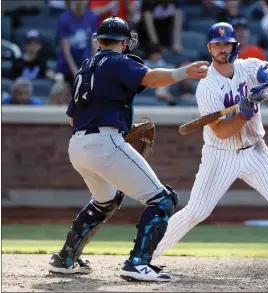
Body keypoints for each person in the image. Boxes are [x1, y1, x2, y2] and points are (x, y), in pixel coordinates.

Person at [152, 22, 268, 277]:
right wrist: (244, 114)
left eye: (226, 44)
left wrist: (267, 88)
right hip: (221, 153)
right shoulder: (207, 86)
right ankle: (146, 254)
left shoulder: (247, 67)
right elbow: (222, 131)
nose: (222, 49)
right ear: (210, 49)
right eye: (217, 45)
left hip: (256, 149)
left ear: (235, 45)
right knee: (197, 211)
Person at [47, 16, 208, 282]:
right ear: (124, 42)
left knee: (106, 200)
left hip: (77, 145)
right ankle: (138, 263)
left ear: (98, 40)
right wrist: (184, 72)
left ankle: (65, 258)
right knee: (163, 200)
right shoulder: (118, 61)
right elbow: (151, 77)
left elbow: (73, 119)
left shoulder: (85, 67)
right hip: (105, 142)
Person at [57, 0, 98, 86]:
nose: (79, 2)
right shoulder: (64, 19)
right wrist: (75, 72)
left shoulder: (92, 17)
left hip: (86, 63)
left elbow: (94, 44)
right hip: (68, 66)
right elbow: (66, 50)